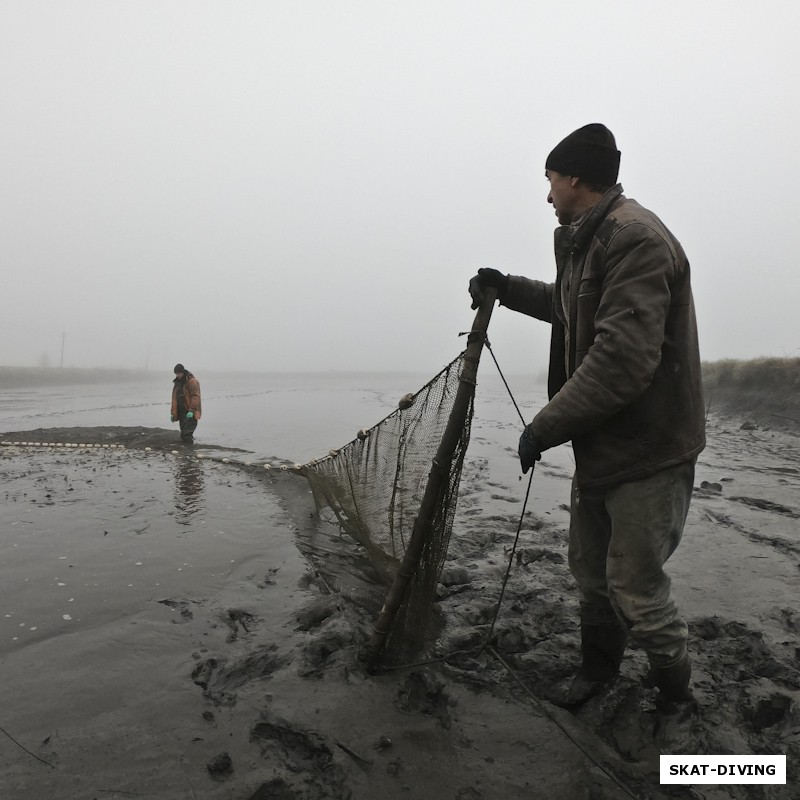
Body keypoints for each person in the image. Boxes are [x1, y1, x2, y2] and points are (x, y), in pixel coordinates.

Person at [469, 124, 705, 727]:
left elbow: (622, 362)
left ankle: (677, 703)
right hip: (602, 446)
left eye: (549, 180)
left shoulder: (636, 239)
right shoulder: (587, 241)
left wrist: (541, 427)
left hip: (648, 450)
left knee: (637, 588)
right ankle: (597, 671)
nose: (547, 195)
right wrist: (507, 287)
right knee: (591, 574)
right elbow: (567, 306)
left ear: (574, 178)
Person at [170, 364, 202, 443]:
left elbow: (196, 396)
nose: (177, 375)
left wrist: (192, 410)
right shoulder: (177, 383)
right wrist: (173, 414)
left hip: (190, 412)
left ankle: (190, 450)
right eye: (176, 374)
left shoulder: (192, 381)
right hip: (181, 413)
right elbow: (174, 399)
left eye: (179, 373)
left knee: (186, 434)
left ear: (183, 372)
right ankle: (188, 451)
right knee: (183, 433)